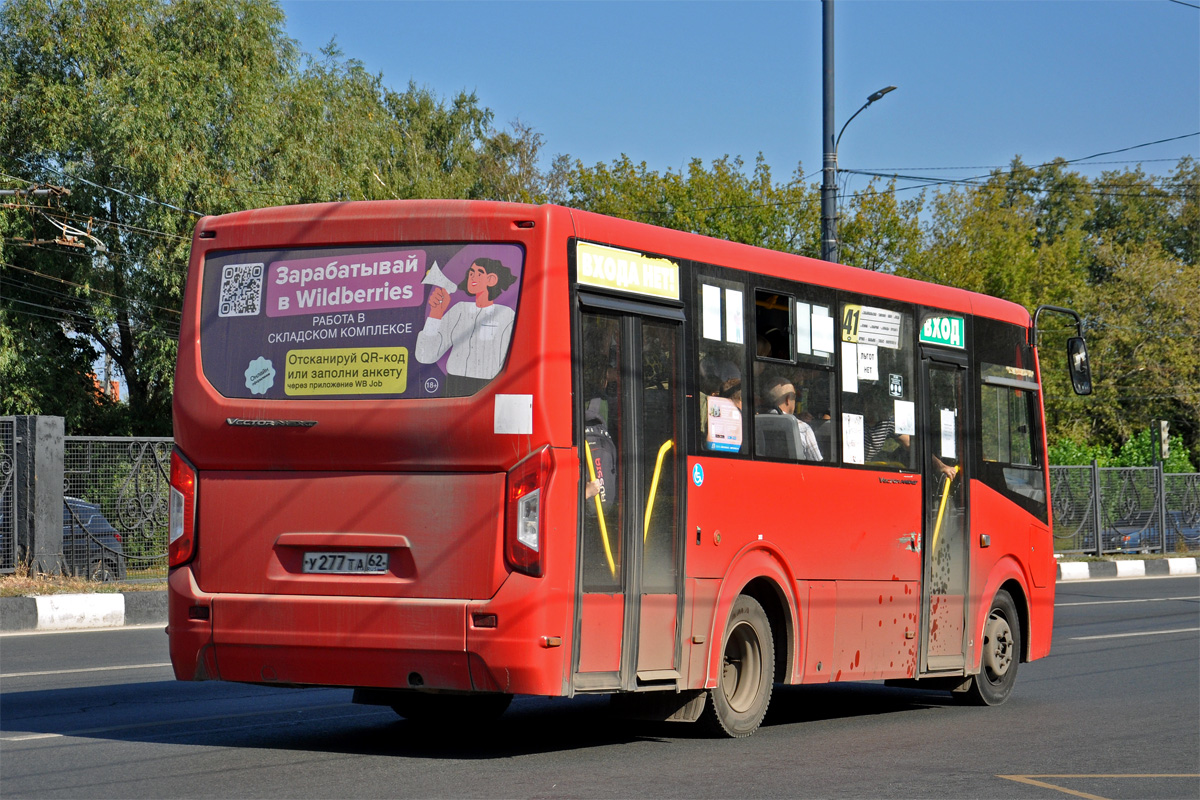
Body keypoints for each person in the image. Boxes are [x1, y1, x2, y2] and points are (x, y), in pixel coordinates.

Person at [415, 258, 517, 394]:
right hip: (453, 386)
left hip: (487, 387)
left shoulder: (507, 315)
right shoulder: (459, 310)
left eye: (479, 273)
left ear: (492, 280)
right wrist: (435, 314)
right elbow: (426, 356)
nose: (472, 277)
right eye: (471, 272)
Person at [761, 375, 822, 461]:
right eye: (794, 398)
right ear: (787, 399)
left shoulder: (754, 421)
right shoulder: (802, 428)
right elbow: (817, 464)